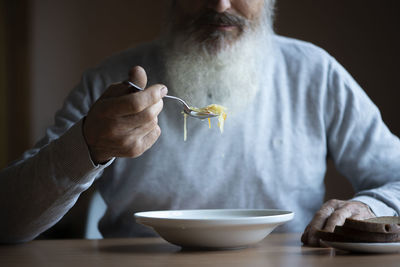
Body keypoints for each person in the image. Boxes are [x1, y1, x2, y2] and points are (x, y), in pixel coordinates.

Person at [1, 0, 399, 246]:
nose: (221, 4)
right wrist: (86, 146)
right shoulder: (111, 82)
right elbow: (8, 221)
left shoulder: (315, 74)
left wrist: (368, 205)